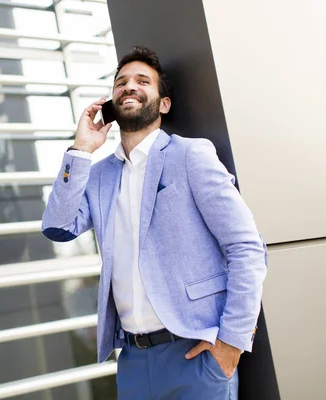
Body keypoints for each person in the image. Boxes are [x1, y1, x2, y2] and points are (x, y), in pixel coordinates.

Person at [41, 46, 267, 399]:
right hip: (133, 363)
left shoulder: (190, 155)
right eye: (121, 82)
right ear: (111, 104)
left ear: (163, 104)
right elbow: (58, 225)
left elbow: (247, 247)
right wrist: (81, 150)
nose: (129, 86)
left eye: (142, 81)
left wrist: (232, 343)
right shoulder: (98, 175)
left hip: (196, 355)